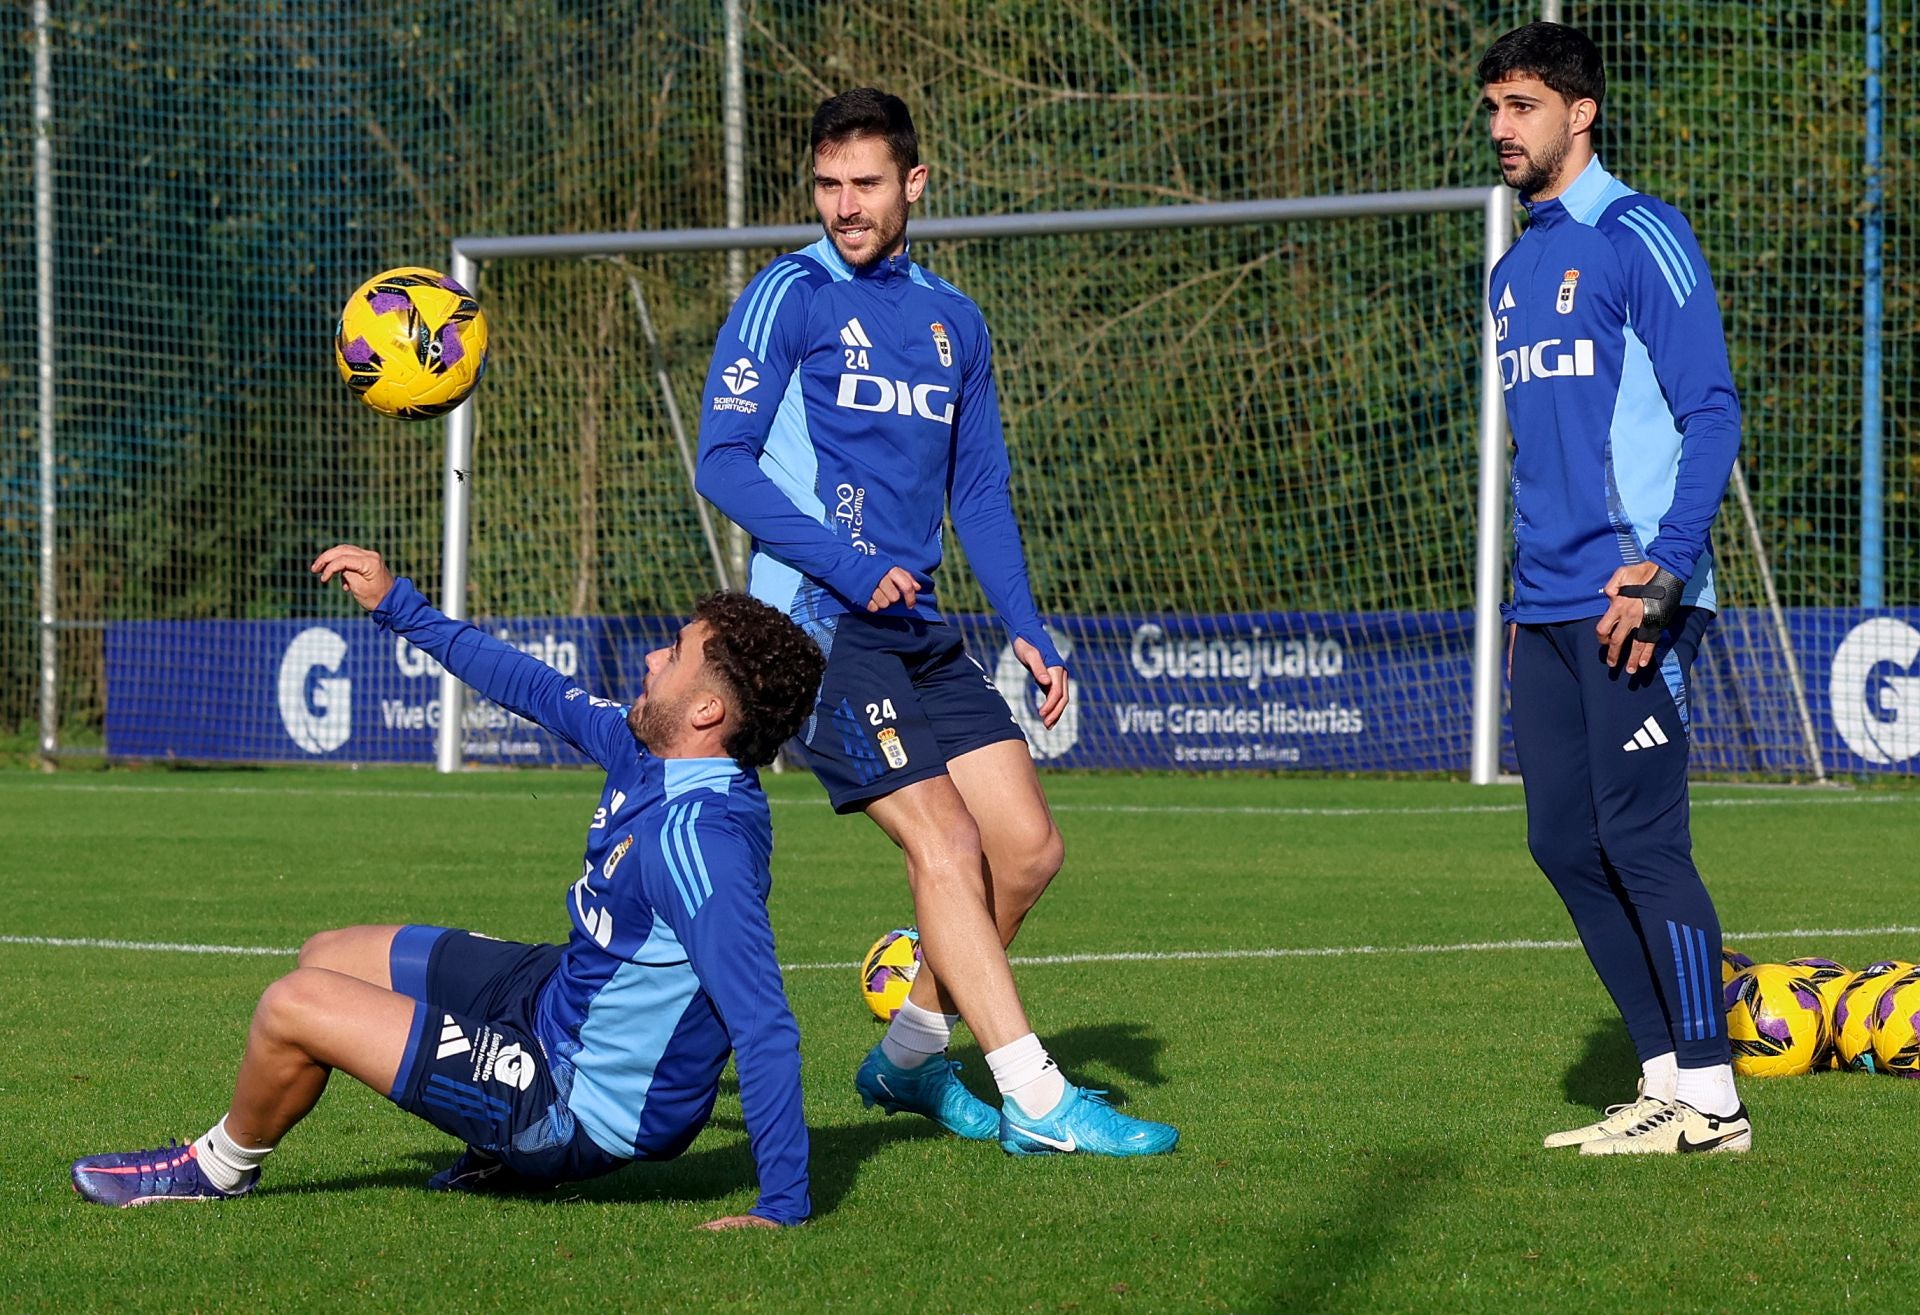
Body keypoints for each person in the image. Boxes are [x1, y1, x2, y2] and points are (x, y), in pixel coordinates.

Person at [694, 88, 1175, 1157]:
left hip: (914, 625)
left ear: (914, 182)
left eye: (865, 183)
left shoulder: (956, 320)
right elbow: (719, 461)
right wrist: (851, 565)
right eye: (828, 184)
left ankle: (908, 1056)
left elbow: (983, 493)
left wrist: (1029, 628)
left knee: (1029, 848)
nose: (844, 205)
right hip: (815, 621)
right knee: (948, 847)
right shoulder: (790, 296)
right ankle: (1040, 1100)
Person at [70, 544, 826, 1224]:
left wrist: (781, 1205)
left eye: (678, 653)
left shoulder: (704, 842)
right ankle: (493, 1151)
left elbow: (761, 1023)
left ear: (707, 709)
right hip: (554, 993)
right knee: (324, 955)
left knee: (291, 1006)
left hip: (572, 1104)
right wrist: (399, 603)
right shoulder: (647, 749)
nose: (654, 658)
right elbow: (529, 684)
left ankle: (214, 1169)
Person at [1480, 23, 1748, 1154]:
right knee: (1560, 842)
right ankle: (1661, 1079)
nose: (1501, 129)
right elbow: (1534, 459)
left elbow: (1712, 411)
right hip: (1542, 608)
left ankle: (1716, 1103)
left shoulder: (1643, 233)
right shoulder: (1511, 268)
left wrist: (1668, 566)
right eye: (1492, 107)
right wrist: (1511, 608)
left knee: (1643, 843)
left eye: (1523, 106)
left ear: (1580, 114)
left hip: (1630, 598)